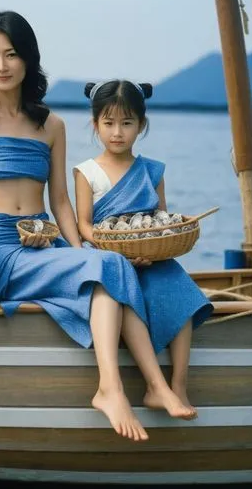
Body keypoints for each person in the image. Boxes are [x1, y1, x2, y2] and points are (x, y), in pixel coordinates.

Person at [0, 11, 200, 441]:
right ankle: (111, 389)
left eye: (11, 54)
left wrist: (80, 248)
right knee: (108, 269)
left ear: (28, 59)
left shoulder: (52, 124)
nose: (1, 66)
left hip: (45, 239)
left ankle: (157, 387)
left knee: (108, 265)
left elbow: (60, 200)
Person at [74, 79, 214, 414]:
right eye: (108, 123)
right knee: (122, 293)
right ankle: (156, 386)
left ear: (141, 125)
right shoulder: (86, 171)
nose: (117, 132)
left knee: (181, 290)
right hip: (108, 254)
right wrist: (115, 249)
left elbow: (159, 220)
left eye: (127, 123)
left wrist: (154, 246)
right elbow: (83, 224)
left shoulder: (152, 171)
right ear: (96, 125)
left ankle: (178, 385)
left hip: (150, 255)